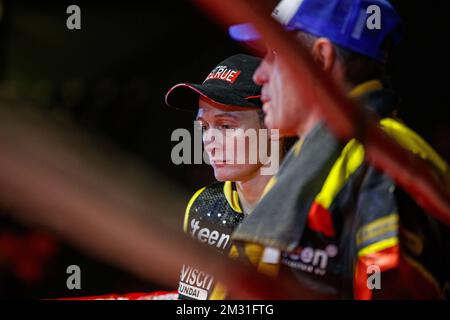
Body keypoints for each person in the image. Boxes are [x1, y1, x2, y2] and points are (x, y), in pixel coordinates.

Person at [228, 0, 450, 299]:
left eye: (273, 55)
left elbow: (383, 288)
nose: (259, 75)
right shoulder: (321, 153)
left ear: (320, 59)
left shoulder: (381, 160)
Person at [165, 53, 293, 299]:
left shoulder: (308, 209)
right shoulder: (204, 205)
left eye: (225, 126)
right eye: (203, 127)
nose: (209, 142)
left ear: (274, 127)